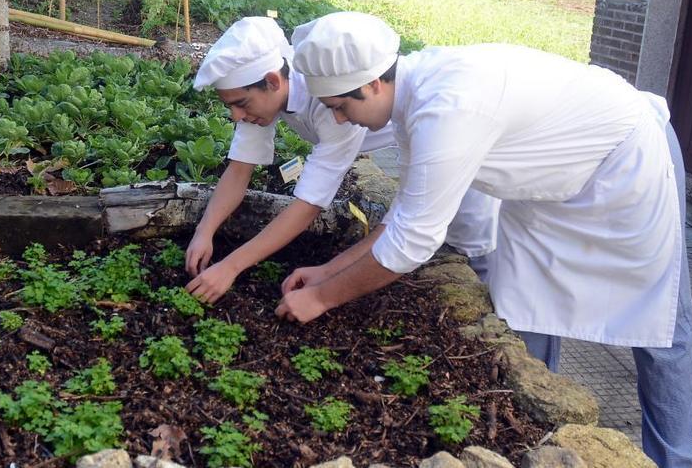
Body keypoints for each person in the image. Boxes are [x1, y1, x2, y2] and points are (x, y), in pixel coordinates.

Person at [276, 11, 692, 468]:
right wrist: (327, 270)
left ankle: (677, 460)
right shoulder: (413, 97)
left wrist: (322, 298)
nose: (342, 120)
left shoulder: (447, 106)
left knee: (661, 322)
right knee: (529, 300)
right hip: (550, 185)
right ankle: (545, 431)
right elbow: (403, 216)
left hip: (625, 160)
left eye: (342, 107)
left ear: (374, 83)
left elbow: (412, 244)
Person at [184, 16, 498, 302]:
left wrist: (230, 267)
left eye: (240, 103)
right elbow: (239, 170)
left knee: (472, 245)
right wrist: (204, 232)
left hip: (445, 147)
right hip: (408, 141)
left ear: (273, 81)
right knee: (416, 224)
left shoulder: (329, 103)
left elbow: (308, 205)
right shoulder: (265, 98)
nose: (235, 115)